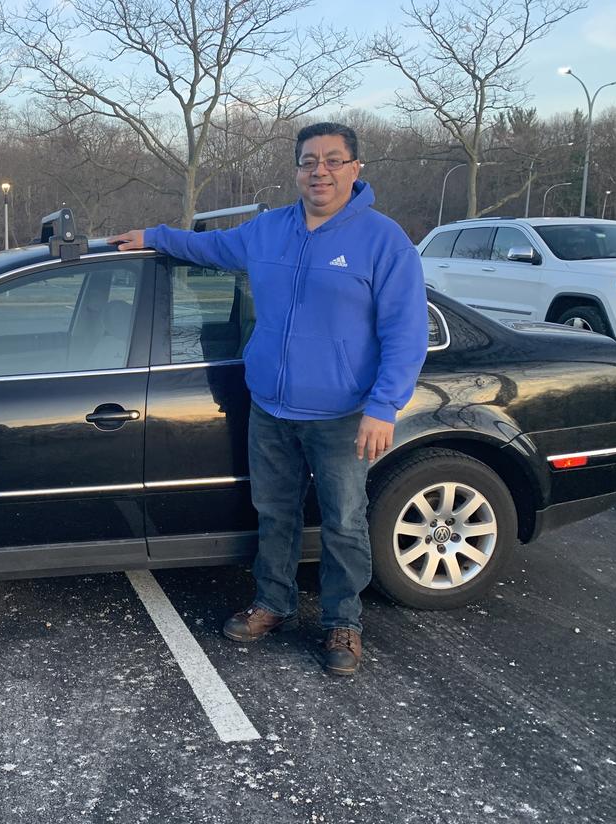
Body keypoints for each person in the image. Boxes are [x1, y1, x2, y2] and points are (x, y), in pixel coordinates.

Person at [110, 122, 428, 676]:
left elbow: (406, 331)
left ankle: (342, 624)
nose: (319, 171)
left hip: (342, 414)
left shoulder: (383, 241)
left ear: (356, 169)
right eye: (309, 161)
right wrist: (156, 235)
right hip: (271, 409)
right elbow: (206, 247)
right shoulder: (269, 231)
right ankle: (273, 604)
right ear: (296, 170)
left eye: (332, 160)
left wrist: (383, 407)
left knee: (345, 524)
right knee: (274, 514)